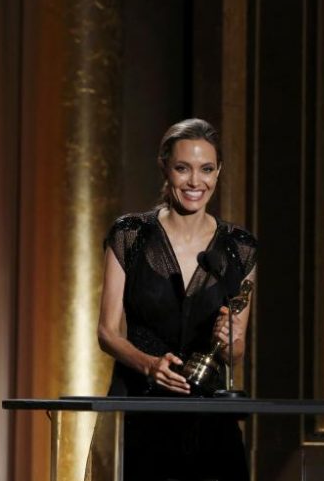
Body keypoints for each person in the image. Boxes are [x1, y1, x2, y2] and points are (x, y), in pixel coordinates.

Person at [96, 118, 257, 480]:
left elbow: (235, 353)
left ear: (219, 172)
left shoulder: (240, 248)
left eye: (206, 169)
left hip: (209, 420)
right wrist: (149, 365)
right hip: (142, 409)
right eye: (183, 168)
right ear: (164, 167)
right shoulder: (130, 235)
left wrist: (230, 339)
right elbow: (107, 332)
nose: (195, 181)